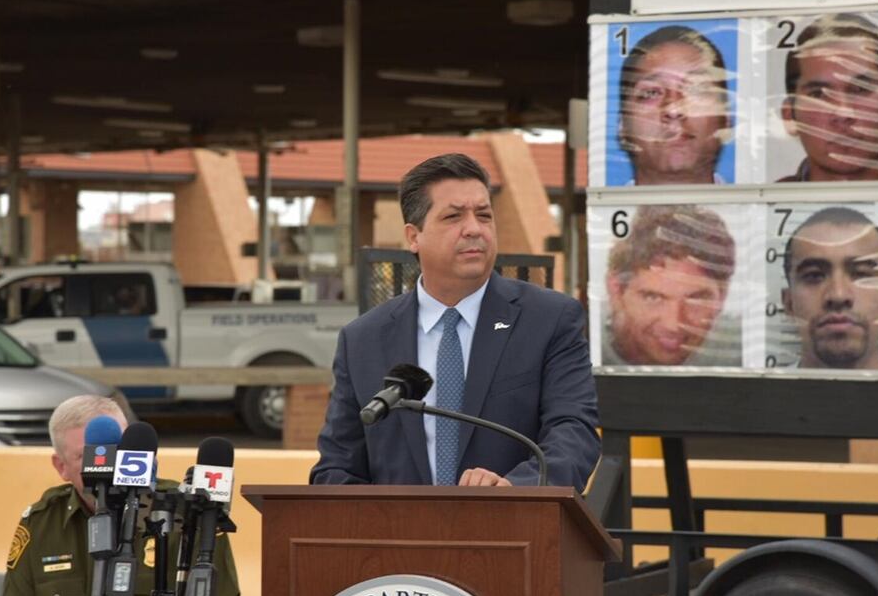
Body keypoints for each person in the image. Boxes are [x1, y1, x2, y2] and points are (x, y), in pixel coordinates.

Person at [310, 153, 599, 490]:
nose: (474, 229)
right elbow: (337, 465)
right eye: (453, 216)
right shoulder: (363, 339)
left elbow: (574, 433)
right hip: (399, 538)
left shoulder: (549, 319)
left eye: (484, 215)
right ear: (413, 236)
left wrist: (516, 489)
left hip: (511, 532)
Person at [0, 395, 240, 596]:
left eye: (116, 452)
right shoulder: (42, 524)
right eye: (87, 456)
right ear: (61, 467)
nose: (106, 465)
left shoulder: (187, 513)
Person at [604, 205, 739, 366]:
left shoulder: (741, 349)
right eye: (653, 297)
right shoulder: (578, 348)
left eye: (695, 299)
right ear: (616, 290)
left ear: (722, 296)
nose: (673, 325)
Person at [777, 13, 878, 182]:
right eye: (818, 95)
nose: (843, 113)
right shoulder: (758, 207)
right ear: (789, 116)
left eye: (860, 89)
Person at [781, 207, 878, 369]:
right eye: (814, 276)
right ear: (789, 303)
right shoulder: (750, 394)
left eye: (861, 274)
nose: (838, 295)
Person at [617, 25, 732, 185]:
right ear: (622, 126)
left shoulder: (758, 210)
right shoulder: (599, 210)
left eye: (696, 89)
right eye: (651, 93)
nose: (673, 109)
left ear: (725, 120)